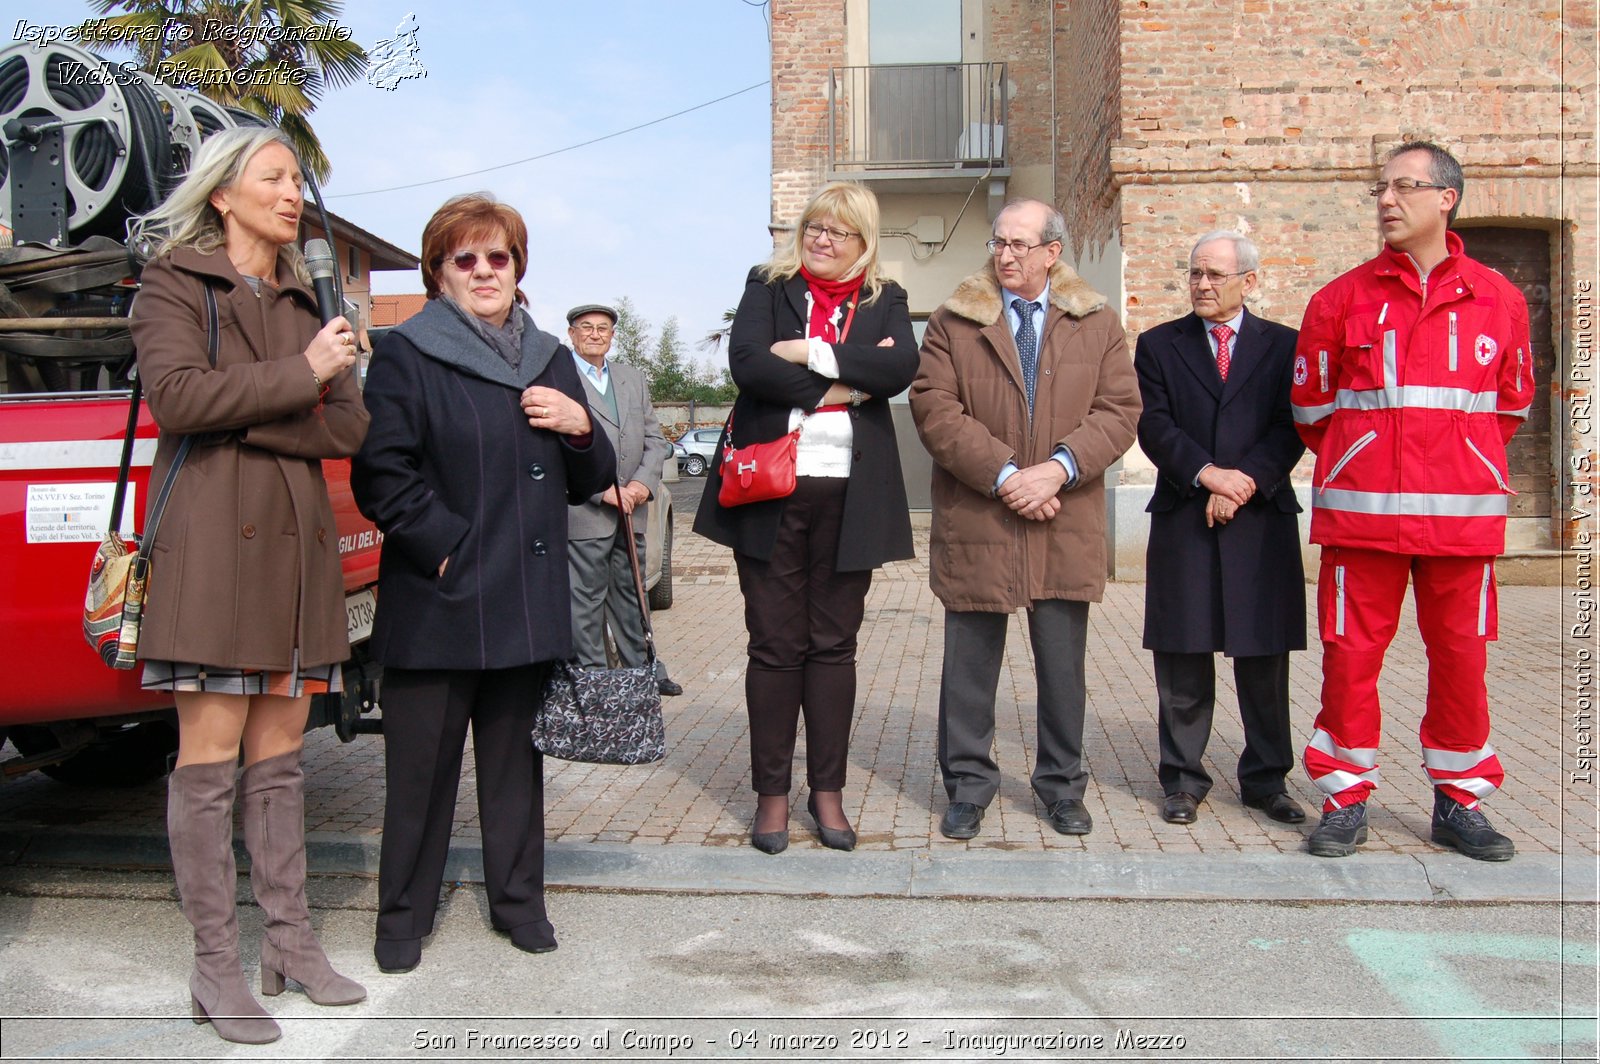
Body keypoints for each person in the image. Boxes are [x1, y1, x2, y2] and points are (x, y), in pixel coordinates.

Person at [127, 127, 369, 1045]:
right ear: (223, 193)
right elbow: (179, 401)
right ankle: (215, 966)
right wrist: (297, 380)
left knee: (281, 760)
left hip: (296, 555)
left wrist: (263, 403)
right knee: (210, 762)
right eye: (273, 177)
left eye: (297, 177)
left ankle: (292, 945)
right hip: (214, 554)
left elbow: (345, 428)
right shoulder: (175, 282)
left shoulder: (309, 294)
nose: (292, 191)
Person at [351, 194, 614, 971]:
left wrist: (580, 426)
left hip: (524, 605)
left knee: (513, 776)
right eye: (465, 259)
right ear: (439, 272)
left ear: (517, 268)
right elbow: (381, 474)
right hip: (440, 601)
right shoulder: (407, 351)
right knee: (421, 783)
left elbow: (592, 476)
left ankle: (519, 904)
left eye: (497, 257)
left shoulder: (547, 354)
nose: (484, 271)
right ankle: (401, 922)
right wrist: (447, 551)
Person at [1290, 141, 1534, 860]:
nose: (1387, 201)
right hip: (1362, 518)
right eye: (1381, 189)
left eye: (1404, 188)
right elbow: (1312, 410)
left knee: (1461, 660)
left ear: (1446, 198)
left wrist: (1466, 463)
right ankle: (1343, 796)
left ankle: (1458, 803)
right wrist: (1364, 462)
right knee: (1349, 659)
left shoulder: (1501, 298)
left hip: (1462, 523)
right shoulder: (1340, 299)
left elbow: (1509, 406)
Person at [694, 181, 918, 854]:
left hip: (853, 495)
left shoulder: (887, 299)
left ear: (863, 240)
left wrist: (809, 352)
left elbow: (902, 367)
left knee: (833, 645)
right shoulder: (768, 285)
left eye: (838, 231)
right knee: (774, 645)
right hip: (770, 491)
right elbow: (748, 365)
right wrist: (850, 383)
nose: (822, 239)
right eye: (814, 226)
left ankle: (827, 793)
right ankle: (770, 795)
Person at [910, 198, 1140, 841]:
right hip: (981, 515)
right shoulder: (955, 321)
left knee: (1064, 669)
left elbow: (1120, 410)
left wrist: (1059, 469)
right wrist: (1010, 476)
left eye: (1019, 244)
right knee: (970, 667)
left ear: (1052, 252)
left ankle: (1063, 787)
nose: (1005, 255)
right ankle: (968, 786)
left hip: (1065, 514)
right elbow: (935, 409)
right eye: (999, 242)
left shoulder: (1095, 321)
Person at [1134, 231, 1307, 828]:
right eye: (1194, 273)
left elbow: (1292, 425)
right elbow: (1153, 426)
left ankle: (1266, 780)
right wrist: (1209, 476)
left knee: (1263, 657)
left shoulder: (1285, 346)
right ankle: (1182, 780)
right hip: (1185, 512)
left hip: (1260, 518)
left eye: (1214, 274)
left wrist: (1243, 483)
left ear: (1248, 282)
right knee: (1183, 655)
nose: (1202, 284)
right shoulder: (1158, 345)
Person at [564, 303, 681, 697]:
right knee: (586, 604)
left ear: (613, 336)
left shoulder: (632, 378)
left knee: (633, 594)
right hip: (586, 509)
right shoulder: (559, 379)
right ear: (572, 334)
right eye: (587, 328)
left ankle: (643, 672)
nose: (595, 334)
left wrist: (641, 486)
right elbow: (556, 447)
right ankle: (593, 683)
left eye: (603, 329)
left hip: (632, 508)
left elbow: (655, 439)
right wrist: (602, 491)